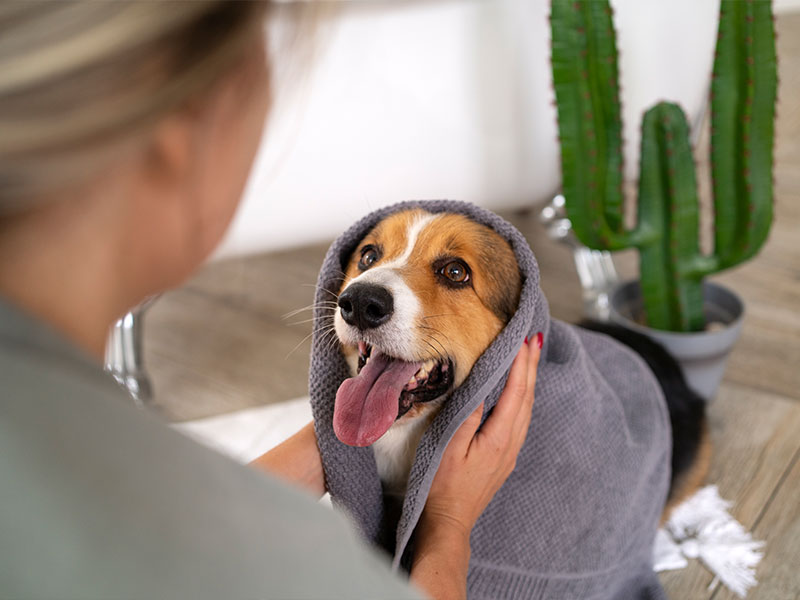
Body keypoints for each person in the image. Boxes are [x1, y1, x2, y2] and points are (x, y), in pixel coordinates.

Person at [0, 3, 540, 598]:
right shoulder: (296, 565)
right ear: (183, 130)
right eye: (368, 257)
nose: (368, 289)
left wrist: (334, 442)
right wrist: (450, 527)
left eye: (453, 271)